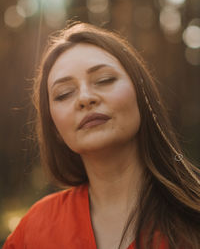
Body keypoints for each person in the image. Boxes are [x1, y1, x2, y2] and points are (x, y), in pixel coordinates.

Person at [3, 22, 200, 249]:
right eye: (64, 94)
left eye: (104, 80)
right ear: (54, 127)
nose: (85, 98)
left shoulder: (192, 218)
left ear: (141, 94)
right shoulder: (33, 231)